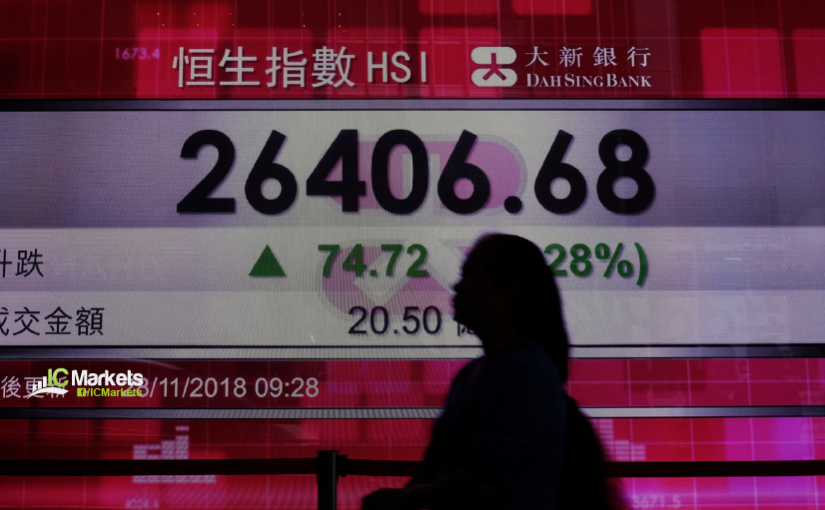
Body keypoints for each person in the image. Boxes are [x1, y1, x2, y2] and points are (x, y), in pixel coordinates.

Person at [362, 233, 622, 510]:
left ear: (509, 290)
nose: (458, 286)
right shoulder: (476, 373)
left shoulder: (525, 373)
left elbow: (485, 484)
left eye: (471, 275)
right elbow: (442, 469)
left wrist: (403, 498)